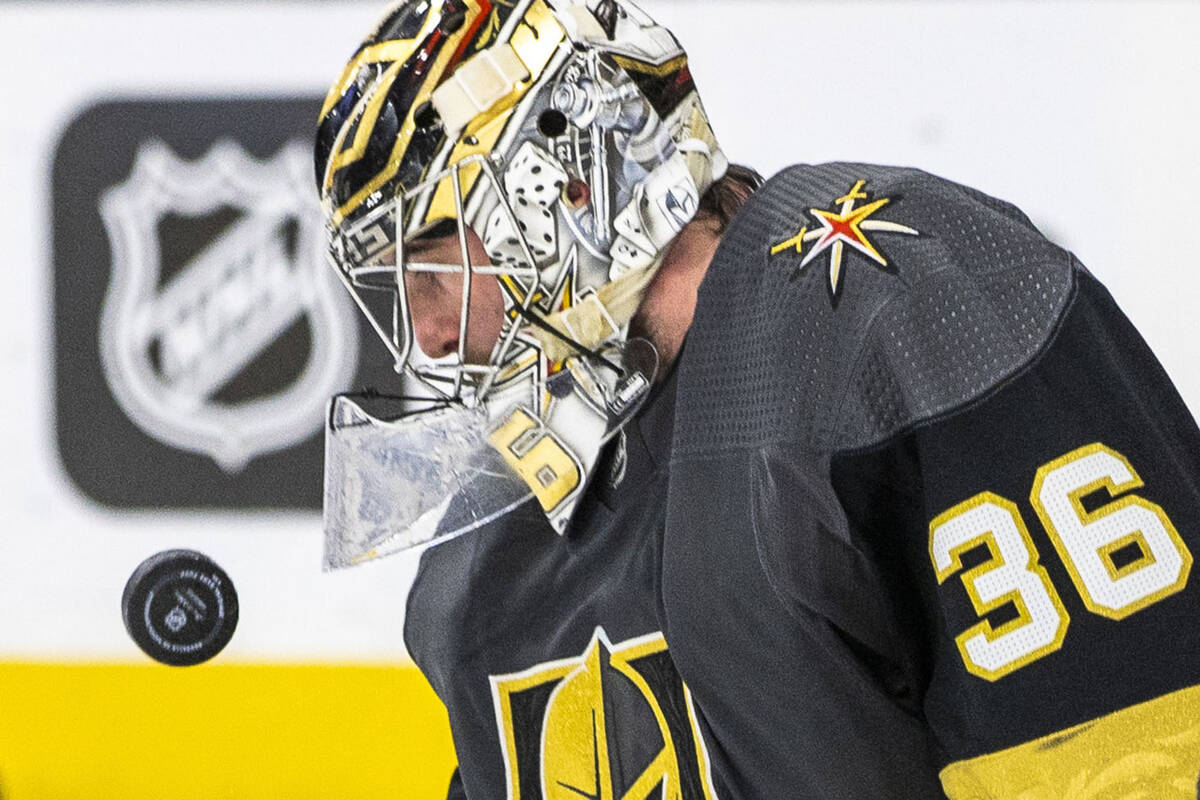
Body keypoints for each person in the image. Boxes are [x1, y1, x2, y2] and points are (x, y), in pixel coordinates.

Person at [315, 0, 1200, 797]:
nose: (425, 332)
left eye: (434, 260)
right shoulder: (496, 537)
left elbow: (1135, 751)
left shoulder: (894, 304)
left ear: (570, 184)